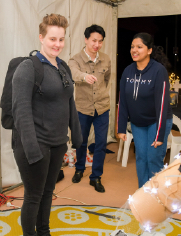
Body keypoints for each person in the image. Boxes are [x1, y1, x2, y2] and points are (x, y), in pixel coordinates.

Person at [12, 14, 82, 236]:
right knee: (33, 196)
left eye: (61, 40)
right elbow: (20, 111)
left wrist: (76, 138)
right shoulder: (28, 68)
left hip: (57, 143)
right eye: (53, 39)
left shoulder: (63, 67)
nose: (57, 45)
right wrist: (33, 151)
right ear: (41, 38)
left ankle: (44, 231)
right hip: (35, 145)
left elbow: (69, 102)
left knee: (48, 191)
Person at [117, 33, 173, 188]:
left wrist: (160, 133)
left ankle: (156, 198)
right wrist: (121, 127)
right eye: (132, 47)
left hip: (157, 121)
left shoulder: (158, 71)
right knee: (141, 157)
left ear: (149, 50)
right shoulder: (128, 71)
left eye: (139, 47)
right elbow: (123, 102)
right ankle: (143, 194)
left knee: (153, 158)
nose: (134, 50)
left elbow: (161, 104)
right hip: (138, 123)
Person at [68, 24, 111, 193]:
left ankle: (96, 177)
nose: (97, 44)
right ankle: (79, 169)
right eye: (94, 40)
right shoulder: (75, 59)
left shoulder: (106, 59)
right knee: (81, 141)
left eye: (100, 41)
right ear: (86, 39)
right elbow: (73, 74)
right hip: (83, 108)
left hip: (102, 107)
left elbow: (107, 79)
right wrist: (85, 76)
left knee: (101, 143)